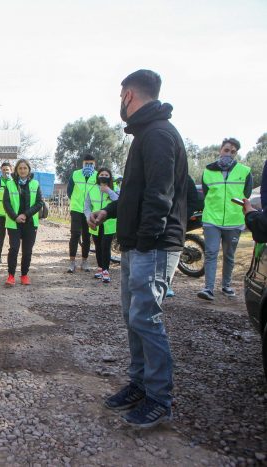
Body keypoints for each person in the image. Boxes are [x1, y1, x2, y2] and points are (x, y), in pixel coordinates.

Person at [90, 69, 188, 428]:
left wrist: (145, 242)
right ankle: (140, 385)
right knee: (134, 319)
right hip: (138, 245)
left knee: (146, 320)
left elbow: (159, 196)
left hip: (155, 246)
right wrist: (109, 210)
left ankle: (159, 399)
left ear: (129, 95)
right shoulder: (145, 134)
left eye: (120, 96)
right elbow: (134, 193)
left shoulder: (159, 134)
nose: (120, 102)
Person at [197, 138, 253, 300]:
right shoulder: (208, 171)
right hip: (211, 220)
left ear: (236, 154)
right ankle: (208, 289)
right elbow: (207, 194)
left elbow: (247, 194)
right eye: (226, 150)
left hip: (234, 220)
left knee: (229, 255)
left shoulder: (244, 171)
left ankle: (226, 286)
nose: (229, 153)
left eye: (233, 151)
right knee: (211, 252)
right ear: (220, 150)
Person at [2, 160, 44, 286]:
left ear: (29, 170)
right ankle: (10, 276)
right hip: (14, 222)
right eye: (20, 168)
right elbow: (6, 203)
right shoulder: (9, 184)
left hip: (30, 222)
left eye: (25, 168)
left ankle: (24, 275)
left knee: (27, 251)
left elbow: (39, 203)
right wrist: (15, 217)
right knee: (14, 249)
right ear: (16, 170)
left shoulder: (35, 184)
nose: (22, 170)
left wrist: (25, 215)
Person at [84, 167, 119, 283]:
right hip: (95, 222)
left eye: (106, 175)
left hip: (109, 222)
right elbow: (87, 207)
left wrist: (108, 191)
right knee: (98, 246)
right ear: (98, 176)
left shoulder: (115, 188)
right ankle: (100, 268)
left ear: (110, 177)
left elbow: (120, 202)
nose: (103, 176)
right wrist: (89, 218)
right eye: (102, 174)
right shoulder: (92, 189)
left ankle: (106, 270)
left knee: (105, 246)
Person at [67, 154, 97, 273]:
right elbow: (69, 191)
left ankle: (84, 261)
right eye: (86, 164)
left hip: (90, 211)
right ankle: (72, 262)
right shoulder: (75, 174)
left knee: (86, 236)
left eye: (91, 164)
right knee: (74, 235)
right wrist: (75, 202)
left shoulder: (97, 175)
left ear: (94, 164)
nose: (88, 166)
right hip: (76, 209)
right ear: (82, 164)